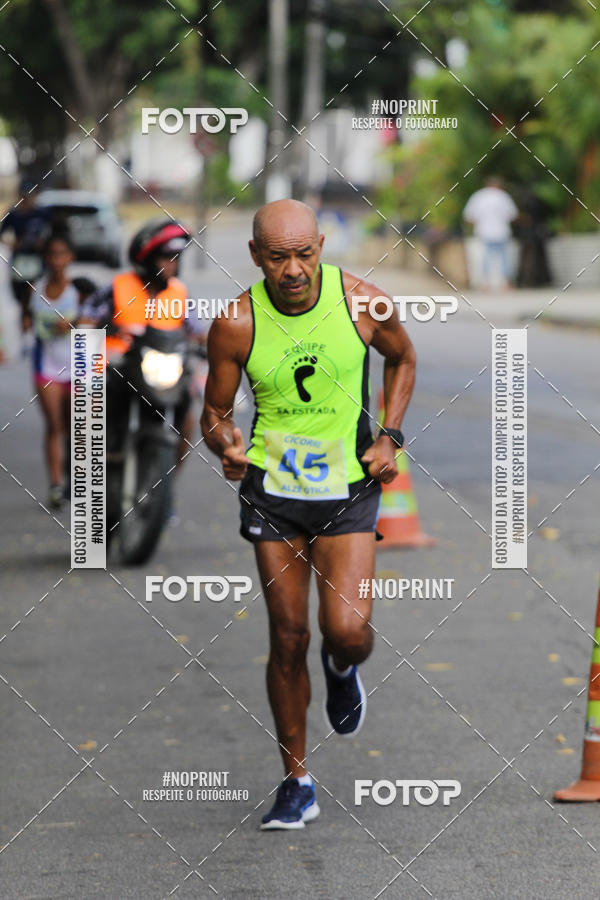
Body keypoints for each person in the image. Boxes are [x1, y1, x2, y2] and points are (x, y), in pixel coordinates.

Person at [201, 199, 416, 830]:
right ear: (254, 256)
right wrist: (226, 444)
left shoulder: (363, 304)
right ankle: (296, 780)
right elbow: (212, 411)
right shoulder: (238, 321)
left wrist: (390, 436)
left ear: (321, 246)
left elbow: (404, 359)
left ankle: (343, 664)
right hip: (273, 492)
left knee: (346, 629)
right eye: (277, 257)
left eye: (304, 253)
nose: (293, 269)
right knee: (288, 636)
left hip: (348, 486)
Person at [79, 219, 199, 474]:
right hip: (117, 366)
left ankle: (167, 489)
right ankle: (83, 473)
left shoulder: (179, 292)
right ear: (147, 258)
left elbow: (196, 331)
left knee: (189, 412)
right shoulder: (119, 285)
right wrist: (96, 326)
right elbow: (87, 316)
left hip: (161, 371)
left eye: (175, 258)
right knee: (90, 408)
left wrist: (208, 344)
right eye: (165, 258)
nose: (172, 264)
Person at [23, 234, 79, 508]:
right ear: (46, 258)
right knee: (54, 426)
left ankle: (73, 480)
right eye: (52, 254)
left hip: (77, 368)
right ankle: (56, 485)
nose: (57, 261)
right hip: (47, 367)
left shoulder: (79, 290)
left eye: (62, 254)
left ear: (71, 258)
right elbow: (27, 320)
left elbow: (98, 320)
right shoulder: (35, 289)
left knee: (74, 428)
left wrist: (75, 324)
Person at [0, 178, 51, 321]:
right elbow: (2, 235)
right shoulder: (14, 214)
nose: (27, 200)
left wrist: (44, 242)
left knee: (39, 292)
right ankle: (25, 317)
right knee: (20, 293)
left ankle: (35, 317)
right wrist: (12, 243)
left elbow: (54, 231)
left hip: (38, 259)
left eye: (30, 195)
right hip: (20, 260)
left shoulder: (43, 213)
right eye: (24, 196)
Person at [463, 176, 518, 289]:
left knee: (486, 257)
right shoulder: (503, 196)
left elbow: (469, 216)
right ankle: (506, 283)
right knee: (503, 258)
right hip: (502, 230)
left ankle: (485, 283)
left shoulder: (478, 196)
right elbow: (513, 215)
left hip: (484, 231)